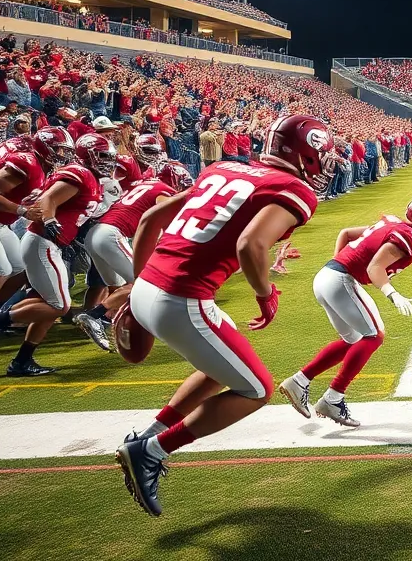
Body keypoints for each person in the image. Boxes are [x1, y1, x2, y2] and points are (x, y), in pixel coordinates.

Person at [113, 114, 333, 517]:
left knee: (219, 367)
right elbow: (251, 244)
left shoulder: (222, 168)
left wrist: (139, 283)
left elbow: (149, 219)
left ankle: (148, 435)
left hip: (151, 286)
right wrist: (265, 295)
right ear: (306, 154)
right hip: (182, 299)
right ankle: (152, 450)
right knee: (256, 389)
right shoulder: (293, 188)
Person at [279, 199, 412, 427]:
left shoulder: (394, 223)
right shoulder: (409, 237)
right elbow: (374, 268)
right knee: (374, 336)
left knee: (354, 340)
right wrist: (392, 293)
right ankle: (333, 398)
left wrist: (338, 263)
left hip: (327, 276)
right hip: (339, 279)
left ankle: (299, 381)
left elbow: (346, 233)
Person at [0, 129, 105, 376]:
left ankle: (22, 361)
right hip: (39, 240)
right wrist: (37, 215)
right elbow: (48, 201)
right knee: (59, 305)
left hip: (33, 237)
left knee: (42, 297)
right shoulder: (70, 171)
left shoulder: (70, 173)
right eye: (103, 156)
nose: (62, 154)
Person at [73, 162, 193, 351]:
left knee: (118, 287)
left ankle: (111, 325)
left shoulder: (145, 185)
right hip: (110, 235)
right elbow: (167, 226)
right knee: (144, 282)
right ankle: (95, 316)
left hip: (95, 234)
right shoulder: (164, 191)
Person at [0, 130, 46, 307]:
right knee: (2, 269)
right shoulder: (26, 162)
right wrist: (23, 211)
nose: (63, 156)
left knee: (21, 269)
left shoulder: (39, 165)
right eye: (58, 149)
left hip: (1, 225)